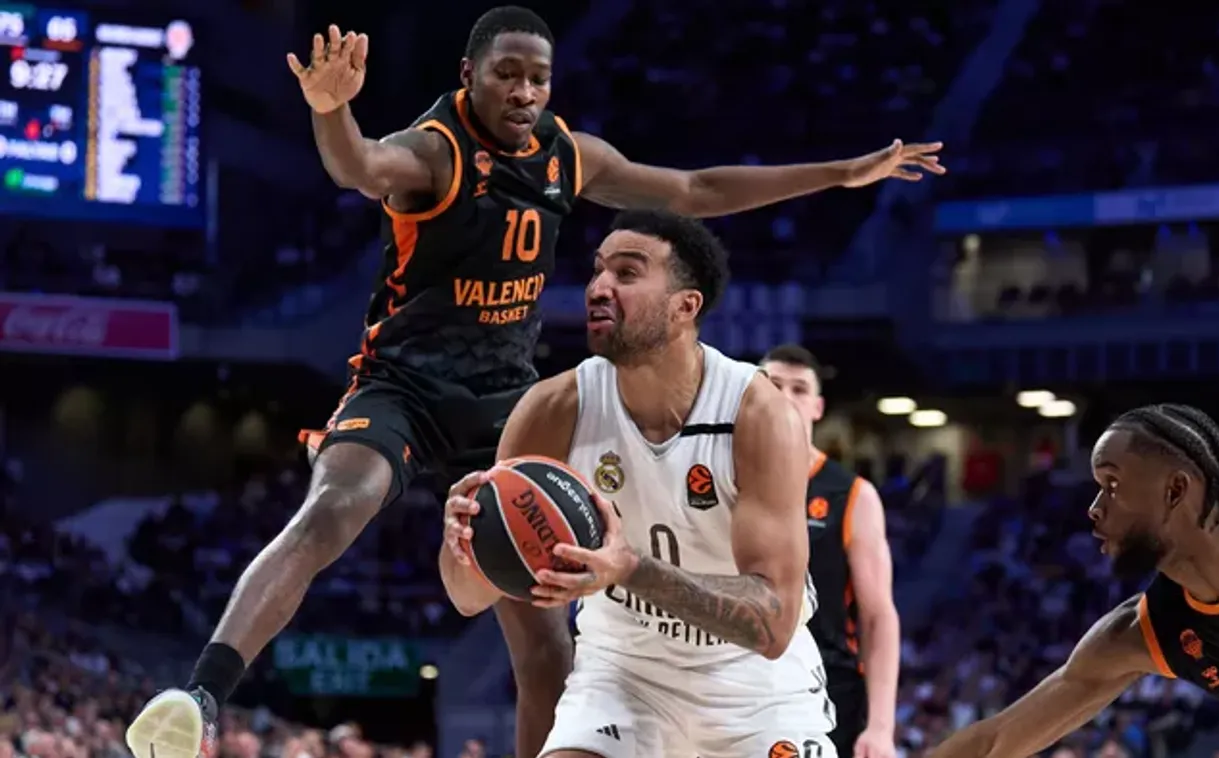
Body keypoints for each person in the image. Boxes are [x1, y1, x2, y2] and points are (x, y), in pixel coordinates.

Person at [124, 7, 944, 758]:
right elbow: (361, 167)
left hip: (502, 399)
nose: (522, 91)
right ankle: (202, 694)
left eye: (537, 78)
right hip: (403, 384)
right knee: (335, 506)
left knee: (543, 634)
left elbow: (693, 190)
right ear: (469, 75)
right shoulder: (435, 150)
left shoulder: (567, 155)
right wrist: (330, 111)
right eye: (506, 74)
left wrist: (842, 173)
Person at [441, 210, 834, 758]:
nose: (599, 288)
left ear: (685, 306)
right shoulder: (554, 409)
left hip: (752, 688)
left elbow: (773, 624)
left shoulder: (758, 414)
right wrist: (463, 542)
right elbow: (466, 596)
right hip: (622, 676)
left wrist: (631, 570)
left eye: (626, 273)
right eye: (597, 271)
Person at [927, 403, 1219, 757]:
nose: (1094, 508)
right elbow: (995, 741)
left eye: (1112, 484)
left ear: (1175, 490)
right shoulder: (1144, 632)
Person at [761, 344, 901, 758]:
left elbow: (878, 616)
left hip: (827, 691)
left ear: (817, 407)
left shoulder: (851, 494)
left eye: (799, 389)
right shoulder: (718, 479)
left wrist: (881, 727)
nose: (785, 397)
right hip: (738, 682)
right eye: (773, 385)